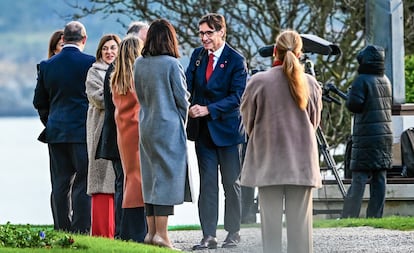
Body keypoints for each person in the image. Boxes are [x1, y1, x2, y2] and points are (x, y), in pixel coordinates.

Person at [240, 29, 323, 253]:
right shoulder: (310, 84)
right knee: (301, 231)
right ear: (300, 53)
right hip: (301, 162)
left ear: (274, 51)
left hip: (268, 162)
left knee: (271, 231)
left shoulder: (258, 82)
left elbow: (248, 123)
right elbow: (313, 123)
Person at [185, 13, 247, 250]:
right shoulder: (198, 57)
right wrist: (188, 105)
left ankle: (233, 231)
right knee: (207, 185)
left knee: (231, 184)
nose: (204, 38)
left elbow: (237, 97)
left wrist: (208, 109)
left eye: (209, 32)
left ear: (221, 32)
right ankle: (208, 235)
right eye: (201, 33)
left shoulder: (236, 60)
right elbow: (188, 85)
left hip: (229, 132)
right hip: (203, 134)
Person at [33, 21, 95, 233]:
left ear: (64, 38)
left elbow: (39, 102)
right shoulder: (91, 63)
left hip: (56, 132)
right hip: (82, 132)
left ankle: (62, 228)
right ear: (83, 39)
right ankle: (80, 230)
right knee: (82, 183)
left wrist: (50, 122)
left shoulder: (47, 65)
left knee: (59, 184)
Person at [134, 18, 190, 249]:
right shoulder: (171, 64)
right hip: (168, 127)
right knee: (167, 180)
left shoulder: (139, 63)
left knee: (151, 179)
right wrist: (182, 123)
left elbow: (138, 94)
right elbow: (182, 99)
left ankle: (151, 233)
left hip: (145, 125)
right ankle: (163, 236)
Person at [95, 21, 149, 239]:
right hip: (132, 135)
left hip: (116, 135)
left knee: (122, 183)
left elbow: (109, 107)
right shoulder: (137, 78)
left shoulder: (113, 74)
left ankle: (120, 230)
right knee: (134, 183)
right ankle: (133, 230)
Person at [341, 45, 393, 219]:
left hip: (366, 135)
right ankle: (375, 216)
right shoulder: (385, 79)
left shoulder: (361, 80)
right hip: (384, 135)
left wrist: (349, 96)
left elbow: (354, 105)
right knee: (380, 178)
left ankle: (350, 215)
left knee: (359, 177)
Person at [110, 35, 147, 242]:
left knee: (129, 176)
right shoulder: (136, 78)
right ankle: (135, 229)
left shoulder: (117, 78)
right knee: (137, 179)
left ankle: (126, 227)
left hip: (123, 131)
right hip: (137, 129)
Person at [85, 34, 121, 238]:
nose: (109, 52)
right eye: (105, 48)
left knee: (118, 182)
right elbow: (98, 99)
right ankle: (101, 234)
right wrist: (120, 97)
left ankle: (118, 231)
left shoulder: (124, 69)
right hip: (100, 131)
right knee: (101, 181)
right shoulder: (94, 72)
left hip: (121, 130)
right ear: (100, 51)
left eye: (113, 48)